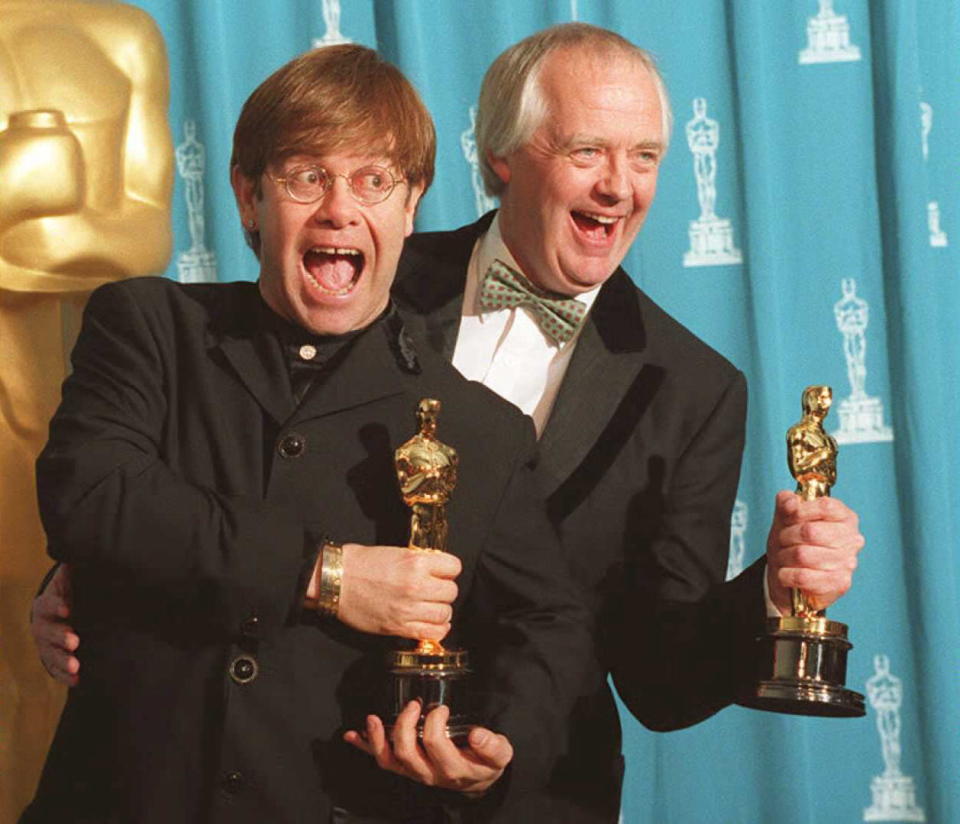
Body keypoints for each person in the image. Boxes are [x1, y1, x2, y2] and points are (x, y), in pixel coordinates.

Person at [33, 23, 865, 823]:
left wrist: (770, 590)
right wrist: (99, 582)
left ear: (407, 195)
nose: (620, 184)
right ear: (498, 159)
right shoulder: (348, 276)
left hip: (492, 797)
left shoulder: (695, 388)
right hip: (207, 765)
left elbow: (651, 674)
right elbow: (142, 482)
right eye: (586, 151)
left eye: (644, 156)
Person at [22, 44, 589, 824]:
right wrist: (329, 575)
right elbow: (90, 496)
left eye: (374, 180)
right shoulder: (149, 329)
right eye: (305, 176)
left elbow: (551, 625)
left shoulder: (479, 426)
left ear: (411, 203)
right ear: (248, 197)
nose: (339, 208)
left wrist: (500, 746)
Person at [0, 1, 173, 818]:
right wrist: (17, 188)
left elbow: (144, 232)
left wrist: (27, 222)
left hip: (67, 412)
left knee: (59, 655)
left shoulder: (120, 32)